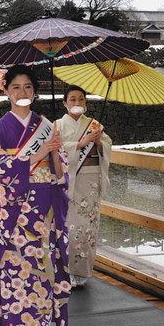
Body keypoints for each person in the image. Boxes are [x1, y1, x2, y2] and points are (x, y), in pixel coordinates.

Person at [0, 65, 71, 326]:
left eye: (27, 87)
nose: (22, 93)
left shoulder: (48, 127)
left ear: (34, 91)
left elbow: (62, 174)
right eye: (16, 87)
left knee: (41, 280)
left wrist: (54, 156)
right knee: (15, 282)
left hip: (43, 214)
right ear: (5, 90)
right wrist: (36, 156)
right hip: (13, 219)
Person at [55, 85, 112, 288]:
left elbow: (107, 146)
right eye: (72, 99)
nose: (77, 103)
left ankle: (84, 271)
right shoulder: (57, 126)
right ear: (65, 103)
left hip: (90, 181)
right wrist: (79, 144)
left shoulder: (95, 125)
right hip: (68, 183)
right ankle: (66, 269)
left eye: (81, 99)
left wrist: (98, 143)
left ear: (86, 103)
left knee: (88, 227)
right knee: (68, 227)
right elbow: (55, 151)